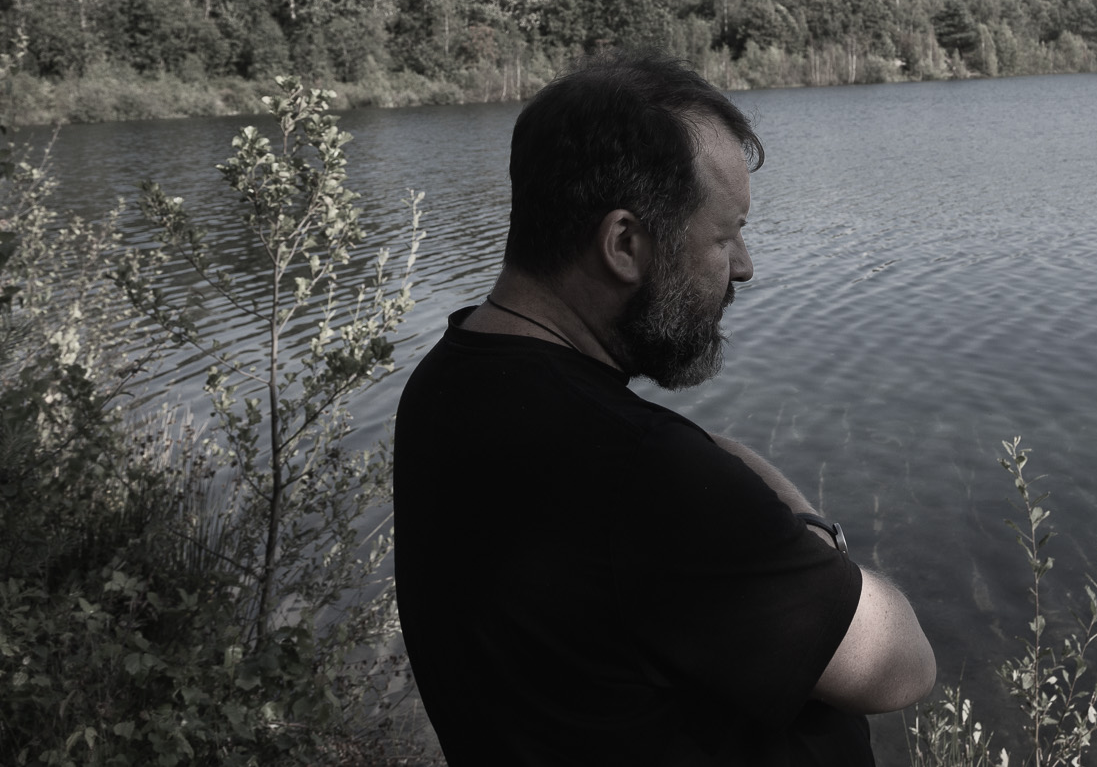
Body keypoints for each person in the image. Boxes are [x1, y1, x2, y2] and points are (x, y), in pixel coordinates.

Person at [394, 51, 936, 765]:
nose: (744, 266)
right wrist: (800, 521)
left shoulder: (444, 380)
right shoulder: (642, 474)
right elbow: (902, 667)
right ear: (624, 243)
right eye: (724, 236)